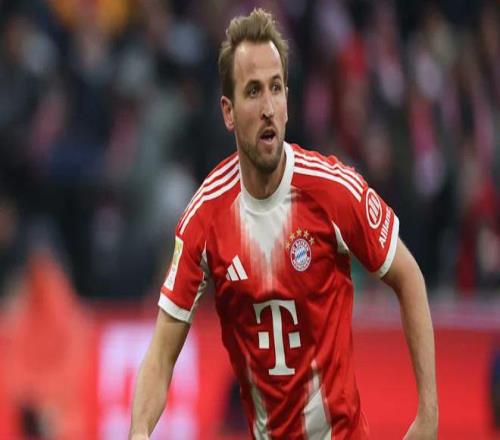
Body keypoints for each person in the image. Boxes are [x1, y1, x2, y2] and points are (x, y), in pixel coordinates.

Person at [129, 8, 438, 440]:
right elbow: (161, 353)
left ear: (288, 101)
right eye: (253, 91)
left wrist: (428, 416)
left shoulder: (333, 190)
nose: (268, 107)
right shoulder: (205, 217)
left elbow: (409, 278)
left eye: (276, 88)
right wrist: (139, 431)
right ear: (228, 112)